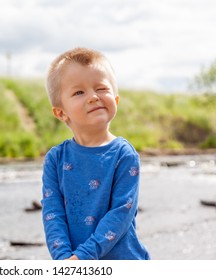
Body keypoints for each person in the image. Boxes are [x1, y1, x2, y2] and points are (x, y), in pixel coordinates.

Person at [41, 47, 150, 260]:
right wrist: (63, 259)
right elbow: (52, 215)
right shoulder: (55, 160)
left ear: (115, 100)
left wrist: (83, 257)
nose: (93, 97)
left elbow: (121, 213)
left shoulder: (124, 155)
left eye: (101, 89)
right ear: (61, 112)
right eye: (79, 92)